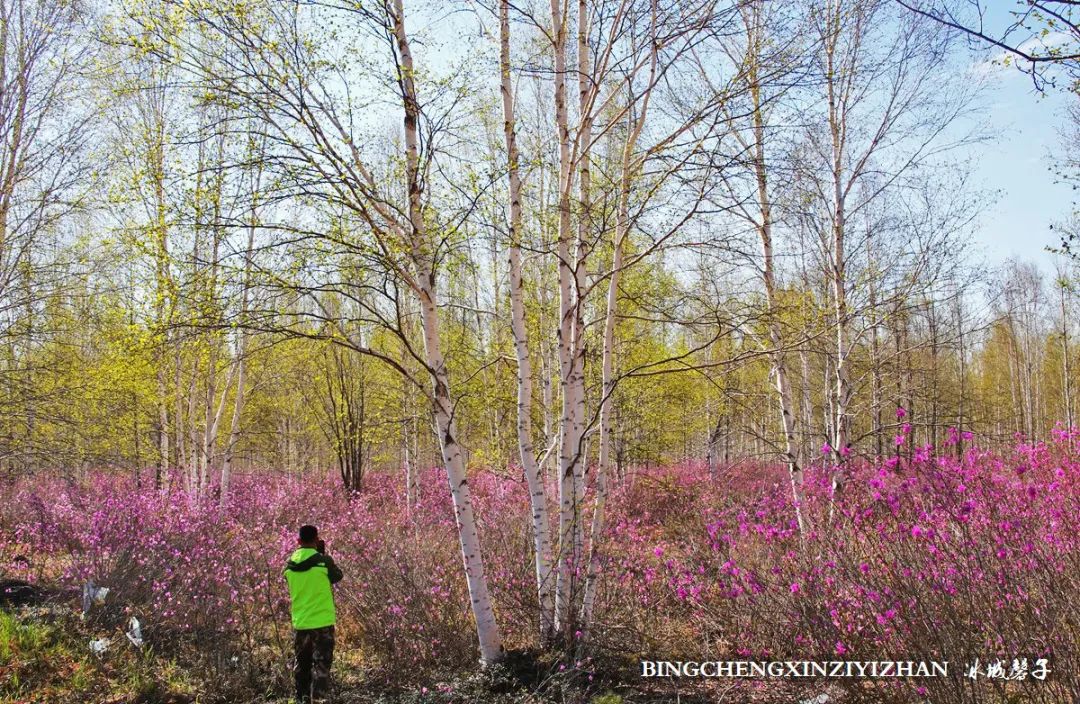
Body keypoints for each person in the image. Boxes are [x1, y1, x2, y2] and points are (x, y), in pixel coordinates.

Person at [284, 524, 343, 703]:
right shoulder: (324, 562)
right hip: (322, 622)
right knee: (321, 666)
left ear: (298, 541)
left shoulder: (289, 565)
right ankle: (318, 700)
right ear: (317, 540)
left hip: (301, 622)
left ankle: (301, 700)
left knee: (302, 666)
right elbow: (337, 576)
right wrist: (322, 554)